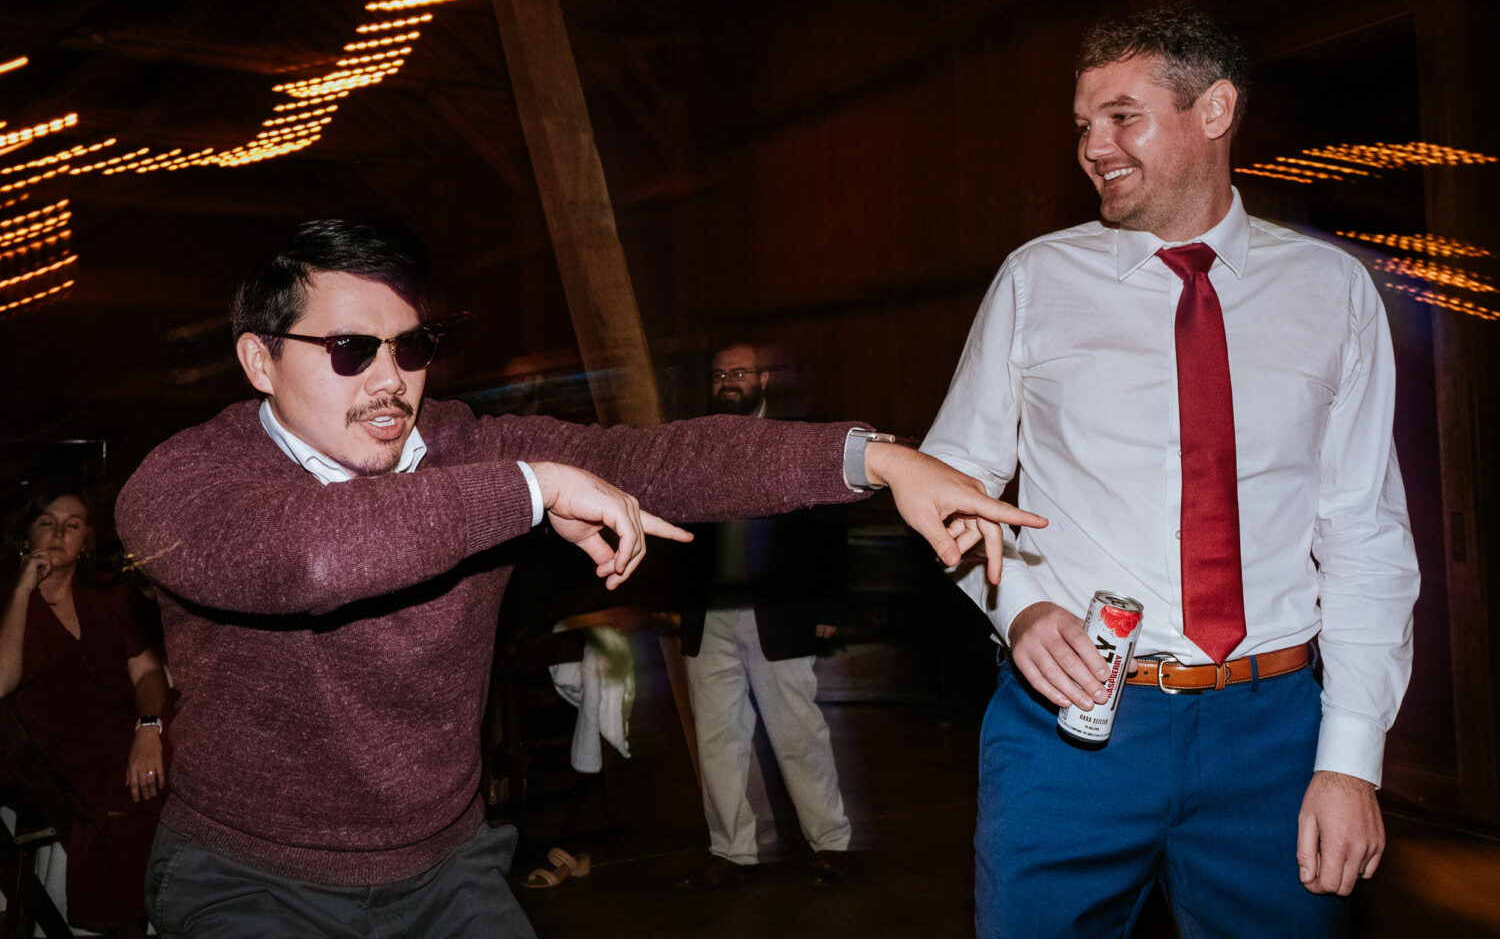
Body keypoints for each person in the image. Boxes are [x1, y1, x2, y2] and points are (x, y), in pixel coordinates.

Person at [114, 219, 1044, 938]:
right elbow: (310, 558)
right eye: (352, 351)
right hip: (252, 878)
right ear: (258, 359)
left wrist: (873, 459)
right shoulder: (184, 485)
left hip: (447, 870)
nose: (392, 381)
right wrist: (528, 491)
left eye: (413, 347)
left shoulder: (468, 450)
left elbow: (664, 462)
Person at [920, 7, 1419, 937]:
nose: (1093, 147)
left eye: (1122, 117)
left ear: (1217, 109)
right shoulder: (1037, 279)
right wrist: (1020, 604)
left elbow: (1364, 532)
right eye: (1081, 124)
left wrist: (1349, 762)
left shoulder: (1332, 290)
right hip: (1068, 731)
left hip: (1272, 734)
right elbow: (950, 482)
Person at [675, 343, 852, 890]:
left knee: (797, 733)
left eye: (739, 373)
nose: (728, 382)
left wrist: (828, 606)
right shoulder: (698, 443)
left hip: (779, 610)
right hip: (712, 615)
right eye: (719, 374)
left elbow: (827, 527)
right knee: (718, 738)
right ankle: (731, 850)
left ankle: (830, 845)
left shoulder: (792, 438)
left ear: (765, 378)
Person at [1, 487, 173, 934]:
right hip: (58, 753)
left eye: (72, 525)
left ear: (87, 542)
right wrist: (23, 589)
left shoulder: (109, 599)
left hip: (131, 731)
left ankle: (184, 910)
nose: (59, 532)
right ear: (25, 535)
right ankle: (131, 921)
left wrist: (148, 728)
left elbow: (149, 677)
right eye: (47, 522)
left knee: (202, 758)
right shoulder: (7, 602)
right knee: (118, 797)